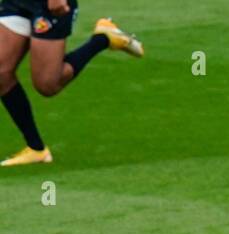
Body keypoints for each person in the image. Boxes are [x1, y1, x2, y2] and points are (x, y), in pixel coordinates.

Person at [0, 4, 140, 166]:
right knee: (1, 73)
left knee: (47, 84)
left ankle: (103, 39)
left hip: (47, 5)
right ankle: (36, 149)